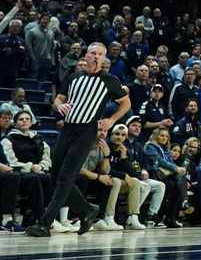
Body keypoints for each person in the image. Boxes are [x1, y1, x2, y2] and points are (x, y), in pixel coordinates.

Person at [25, 43, 131, 238]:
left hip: (86, 131)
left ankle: (45, 223)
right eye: (94, 53)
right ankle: (87, 210)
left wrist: (111, 119)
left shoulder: (110, 80)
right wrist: (60, 106)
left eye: (101, 54)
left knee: (66, 176)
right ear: (87, 56)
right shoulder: (74, 77)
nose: (97, 57)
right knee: (55, 177)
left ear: (104, 59)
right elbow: (58, 99)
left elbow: (126, 102)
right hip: (67, 130)